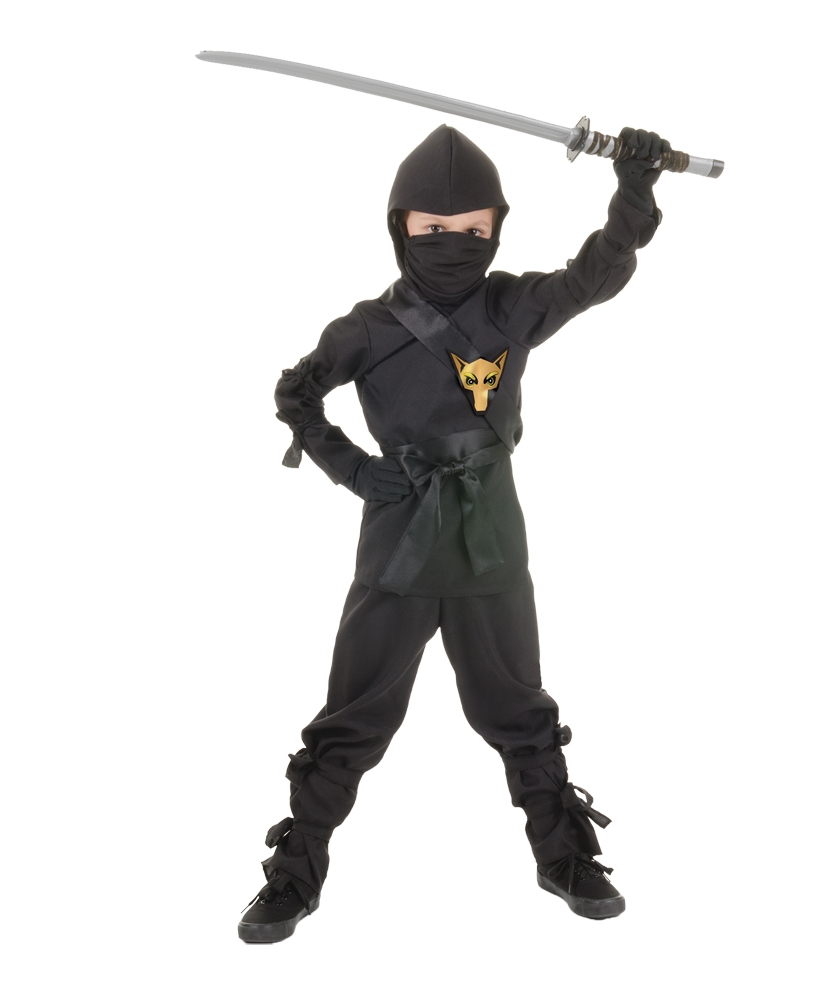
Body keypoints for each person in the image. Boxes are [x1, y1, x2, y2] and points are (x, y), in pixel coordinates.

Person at [237, 123, 669, 943]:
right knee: (353, 715)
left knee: (519, 708)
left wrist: (634, 190)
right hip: (399, 538)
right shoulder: (366, 328)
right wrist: (353, 469)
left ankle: (562, 858)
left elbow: (598, 273)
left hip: (492, 537)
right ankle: (295, 872)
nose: (452, 241)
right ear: (400, 227)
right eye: (433, 228)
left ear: (496, 228)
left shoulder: (512, 308)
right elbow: (296, 394)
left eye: (472, 228)